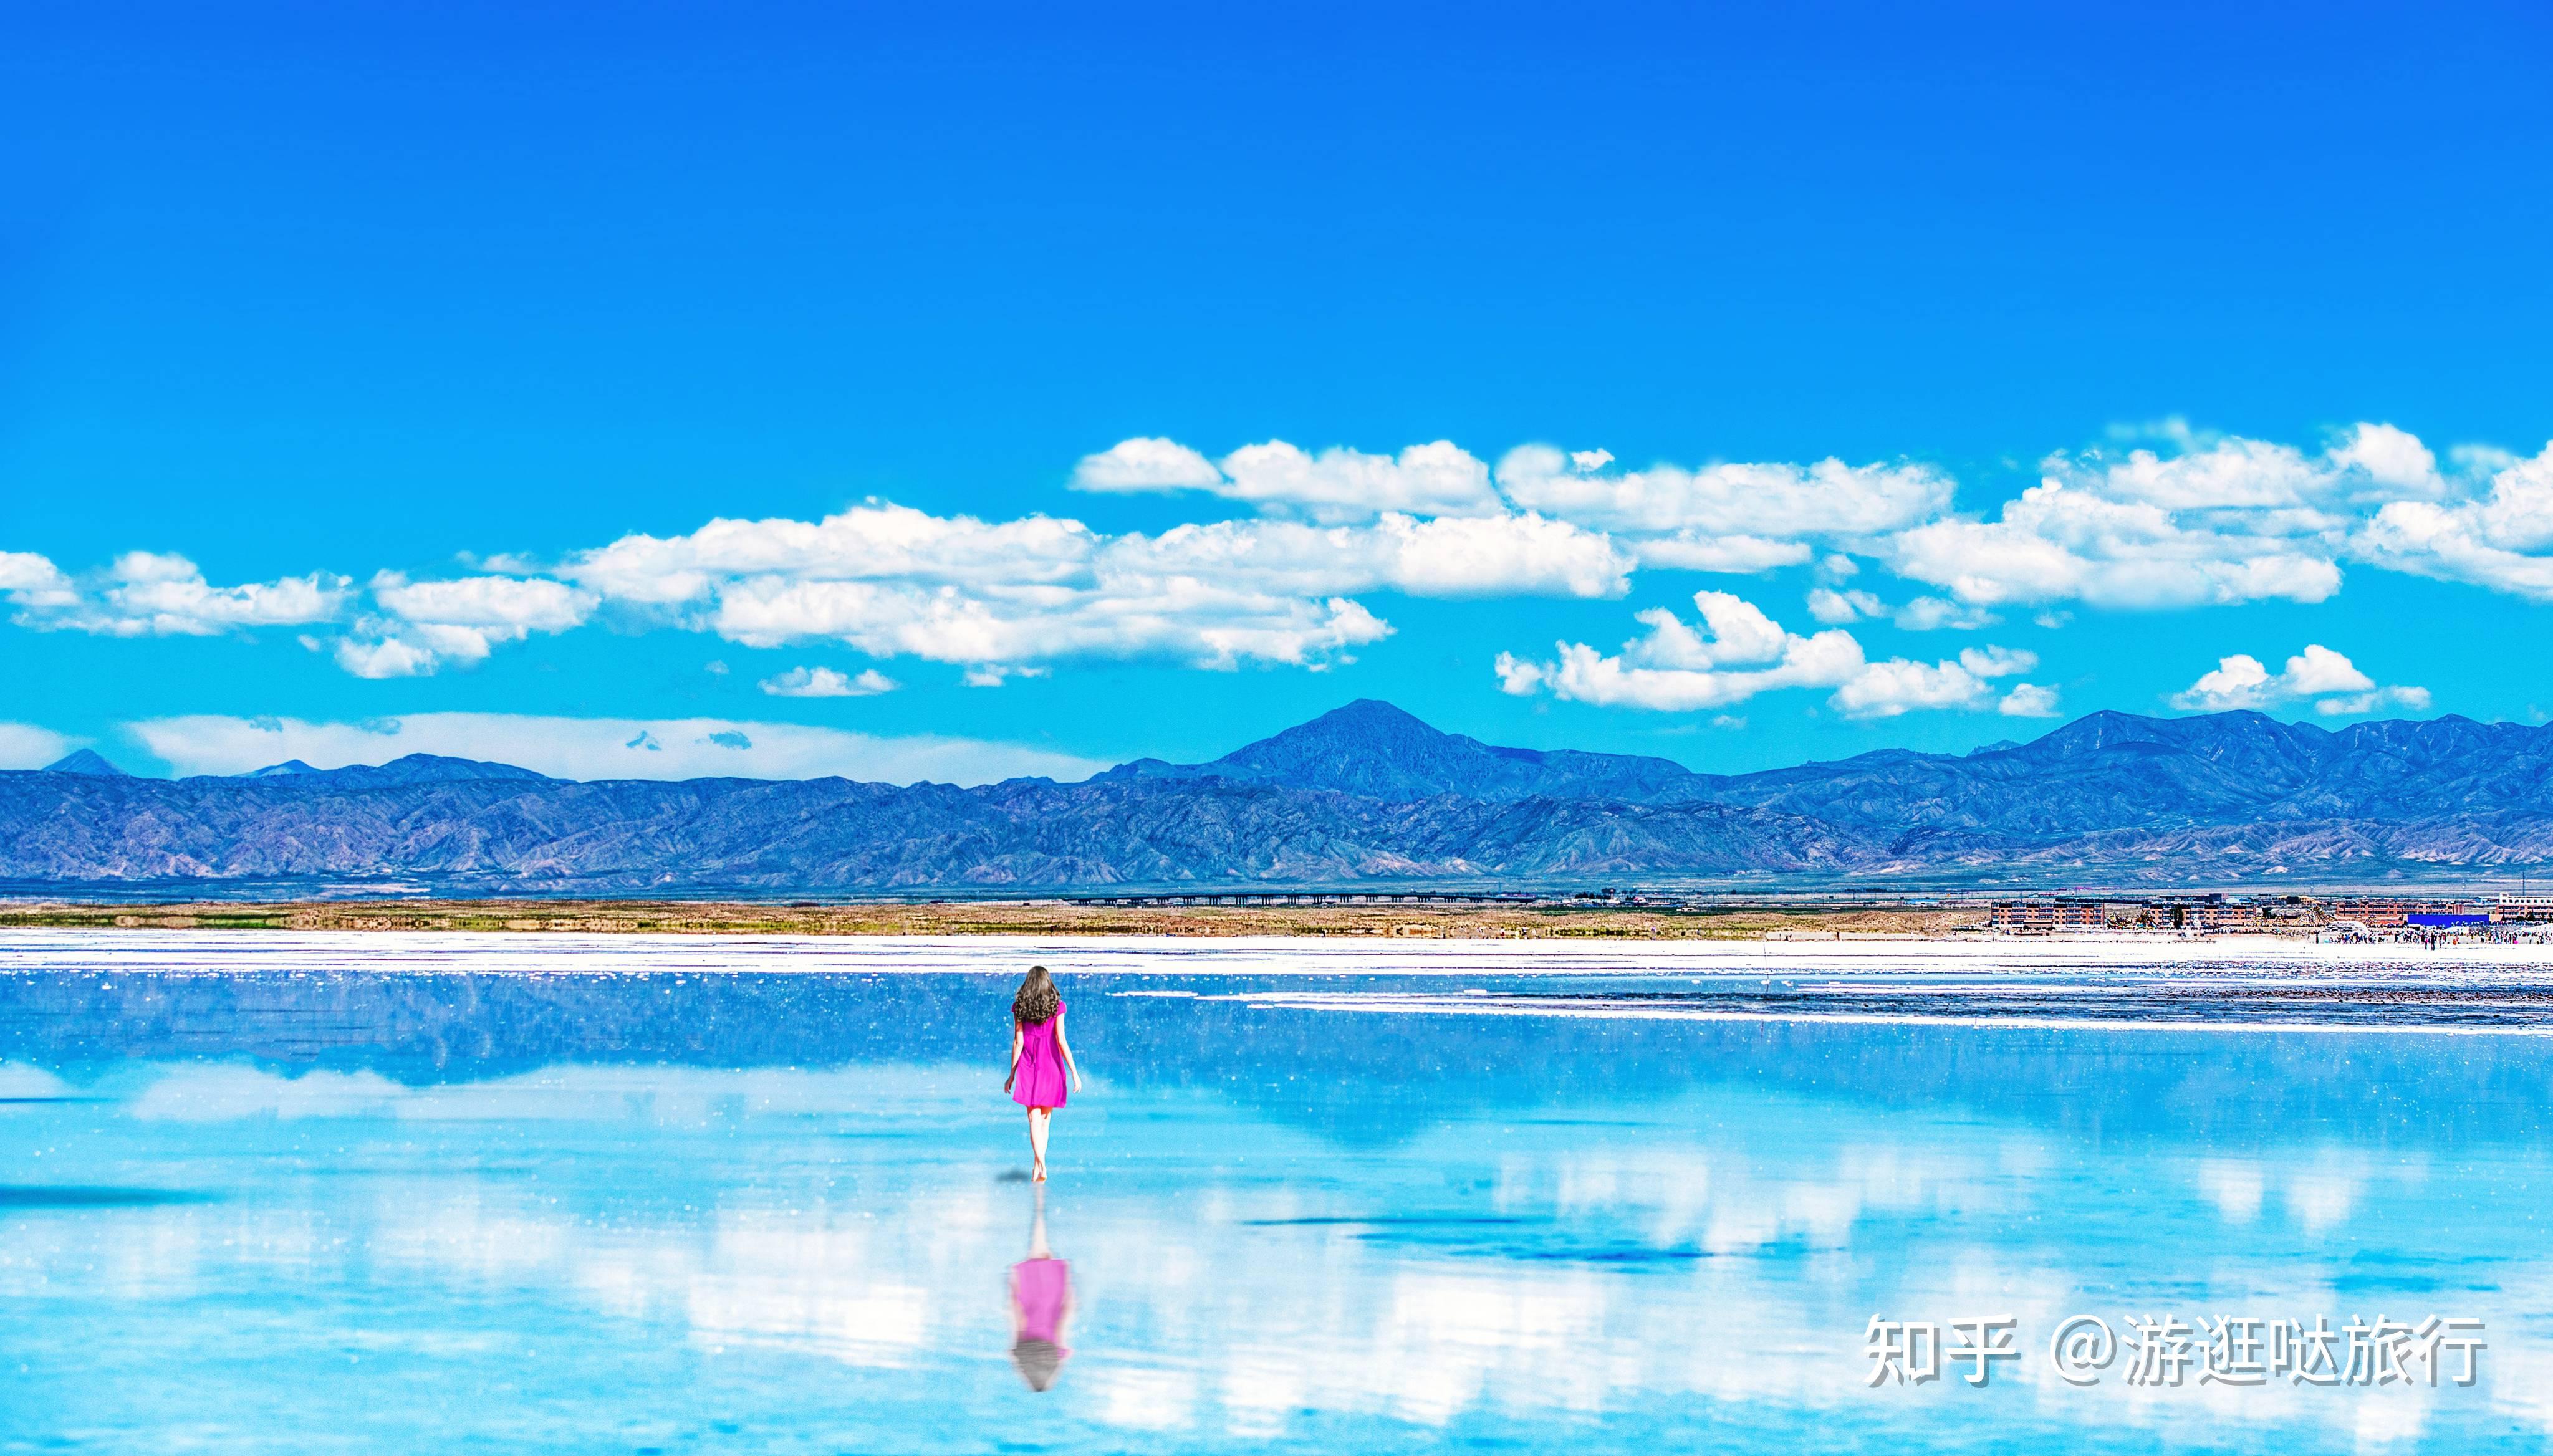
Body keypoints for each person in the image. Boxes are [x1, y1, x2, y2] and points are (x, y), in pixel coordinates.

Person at [1004, 965, 1083, 1182]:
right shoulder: (1058, 1007)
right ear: (1048, 983)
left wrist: (1012, 1073)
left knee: (1033, 1118)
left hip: (1030, 1063)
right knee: (1046, 1121)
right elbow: (1061, 1040)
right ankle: (1040, 1165)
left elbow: (1018, 1041)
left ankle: (1039, 1165)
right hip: (1051, 1063)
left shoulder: (1020, 1007)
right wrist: (1074, 1072)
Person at [1007, 1185, 1074, 1391]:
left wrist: (1069, 1290)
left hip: (1052, 1298)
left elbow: (1065, 1316)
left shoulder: (1057, 1353)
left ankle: (1040, 1199)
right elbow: (1017, 1316)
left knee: (1043, 1244)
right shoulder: (1021, 1352)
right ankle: (1039, 1200)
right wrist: (1013, 1287)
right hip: (1030, 1297)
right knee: (1037, 1244)